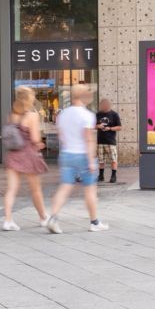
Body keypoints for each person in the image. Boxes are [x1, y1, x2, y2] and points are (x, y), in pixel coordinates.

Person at [47, 85, 109, 234]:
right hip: (82, 155)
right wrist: (91, 160)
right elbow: (88, 139)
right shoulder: (87, 115)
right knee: (90, 190)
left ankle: (53, 218)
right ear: (84, 96)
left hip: (67, 154)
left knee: (65, 186)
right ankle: (94, 222)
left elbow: (61, 136)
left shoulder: (63, 114)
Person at [2, 86, 50, 231]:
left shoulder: (11, 115)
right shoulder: (32, 116)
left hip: (13, 155)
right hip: (28, 155)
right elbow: (35, 138)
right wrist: (40, 143)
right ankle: (43, 217)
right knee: (35, 189)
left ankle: (8, 220)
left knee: (11, 189)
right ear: (30, 99)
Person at [95, 99, 122, 183]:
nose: (103, 107)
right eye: (102, 105)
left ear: (109, 105)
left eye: (105, 105)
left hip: (110, 141)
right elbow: (93, 125)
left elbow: (119, 127)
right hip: (100, 141)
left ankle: (113, 176)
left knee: (113, 159)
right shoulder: (98, 114)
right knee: (101, 160)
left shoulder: (114, 114)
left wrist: (110, 128)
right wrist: (98, 126)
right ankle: (101, 176)